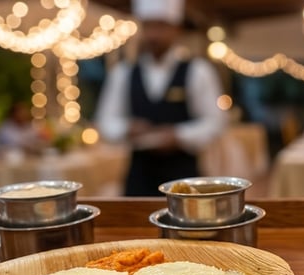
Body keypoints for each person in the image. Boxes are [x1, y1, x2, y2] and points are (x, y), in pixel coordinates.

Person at [95, 0, 227, 196]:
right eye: (148, 26)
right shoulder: (123, 73)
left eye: (161, 26)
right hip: (139, 177)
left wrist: (178, 136)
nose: (154, 35)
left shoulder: (197, 71)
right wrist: (127, 128)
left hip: (185, 175)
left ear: (176, 29)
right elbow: (105, 121)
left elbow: (215, 122)